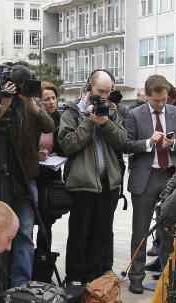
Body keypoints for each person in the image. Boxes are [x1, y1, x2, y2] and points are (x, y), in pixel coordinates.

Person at [123, 74, 176, 294]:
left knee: (169, 229)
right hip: (145, 177)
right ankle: (136, 276)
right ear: (146, 96)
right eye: (156, 101)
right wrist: (147, 143)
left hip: (171, 177)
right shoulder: (134, 115)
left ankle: (169, 273)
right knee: (140, 230)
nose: (161, 104)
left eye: (164, 100)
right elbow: (125, 145)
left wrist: (174, 144)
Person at [58, 70, 127, 286]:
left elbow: (122, 141)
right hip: (82, 183)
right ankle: (75, 278)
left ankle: (95, 278)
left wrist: (106, 122)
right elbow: (68, 144)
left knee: (102, 232)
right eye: (100, 91)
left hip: (109, 182)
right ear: (89, 89)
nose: (104, 96)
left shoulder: (111, 112)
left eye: (109, 91)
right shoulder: (71, 112)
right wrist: (89, 121)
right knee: (79, 234)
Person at [0, 63, 55, 287]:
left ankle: (21, 284)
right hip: (1, 176)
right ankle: (1, 280)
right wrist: (5, 102)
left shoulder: (32, 104)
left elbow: (49, 126)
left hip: (27, 177)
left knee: (25, 233)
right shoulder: (0, 99)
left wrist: (31, 103)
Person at [32, 82, 66, 283]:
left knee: (46, 227)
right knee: (28, 223)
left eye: (54, 98)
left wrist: (56, 153)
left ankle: (43, 269)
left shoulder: (60, 120)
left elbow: (64, 145)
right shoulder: (34, 120)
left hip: (51, 176)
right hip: (33, 175)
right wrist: (36, 155)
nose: (51, 102)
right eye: (47, 99)